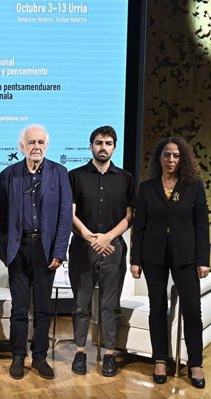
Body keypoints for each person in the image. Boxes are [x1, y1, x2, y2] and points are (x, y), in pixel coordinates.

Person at [130, 136, 210, 389]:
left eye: (176, 155)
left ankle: (195, 363)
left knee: (192, 310)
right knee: (157, 308)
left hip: (186, 257)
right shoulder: (147, 187)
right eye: (167, 155)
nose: (171, 160)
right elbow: (139, 227)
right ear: (159, 158)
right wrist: (135, 260)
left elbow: (201, 225)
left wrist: (202, 260)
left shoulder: (194, 186)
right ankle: (160, 360)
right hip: (153, 256)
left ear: (182, 158)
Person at [0, 124, 73, 380]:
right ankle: (18, 355)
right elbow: (0, 216)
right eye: (31, 143)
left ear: (46, 145)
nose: (36, 147)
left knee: (42, 307)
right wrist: (2, 249)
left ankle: (39, 356)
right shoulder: (8, 175)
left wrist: (59, 251)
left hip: (45, 249)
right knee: (19, 308)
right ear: (22, 147)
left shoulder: (59, 173)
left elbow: (64, 216)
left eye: (40, 142)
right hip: (18, 249)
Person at [68, 126, 134, 377]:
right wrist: (88, 236)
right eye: (98, 143)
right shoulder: (75, 176)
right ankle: (80, 352)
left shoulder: (125, 178)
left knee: (110, 305)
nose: (103, 147)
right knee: (81, 304)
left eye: (108, 143)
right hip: (83, 248)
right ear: (90, 146)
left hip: (113, 247)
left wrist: (107, 237)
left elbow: (130, 216)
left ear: (114, 147)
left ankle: (109, 354)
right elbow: (70, 213)